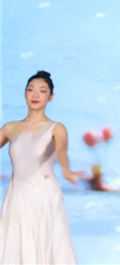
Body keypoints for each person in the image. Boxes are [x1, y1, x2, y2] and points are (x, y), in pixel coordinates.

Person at [0, 70, 81, 264]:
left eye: (42, 91)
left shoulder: (56, 128)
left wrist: (66, 169)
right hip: (17, 196)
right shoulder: (12, 128)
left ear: (50, 97)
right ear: (25, 93)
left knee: (47, 245)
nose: (35, 95)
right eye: (31, 89)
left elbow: (61, 151)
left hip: (44, 195)